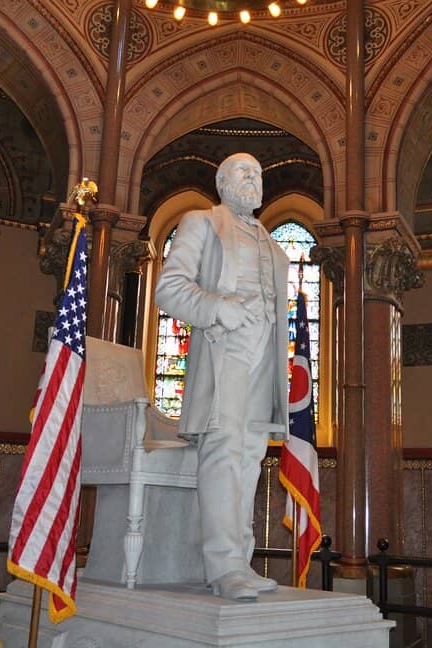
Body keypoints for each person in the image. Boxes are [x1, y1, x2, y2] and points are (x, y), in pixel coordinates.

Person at [155, 153, 290, 601]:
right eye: (243, 171)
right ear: (221, 182)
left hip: (264, 358)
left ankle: (242, 562)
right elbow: (168, 289)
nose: (253, 177)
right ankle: (223, 566)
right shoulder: (202, 222)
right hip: (223, 348)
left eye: (258, 171)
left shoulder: (271, 241)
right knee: (223, 454)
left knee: (250, 458)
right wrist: (219, 307)